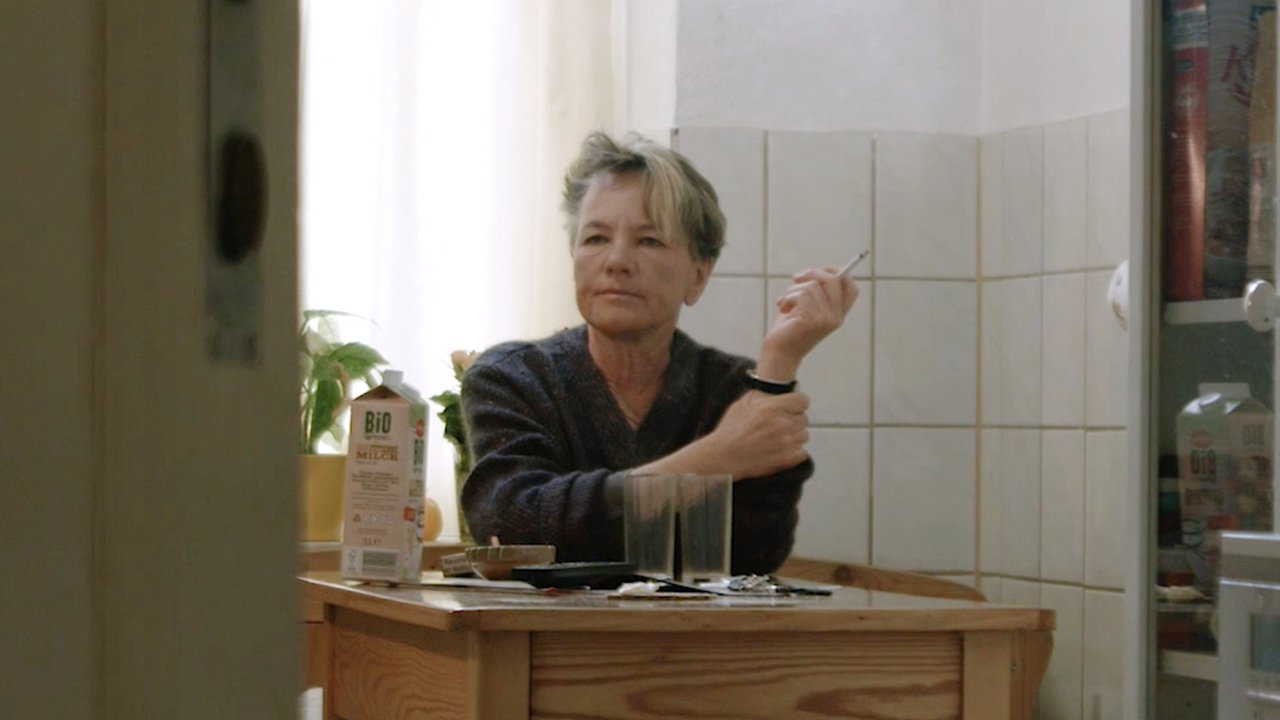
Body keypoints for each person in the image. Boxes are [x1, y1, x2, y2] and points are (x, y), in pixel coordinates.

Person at [459, 131, 858, 574]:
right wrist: (716, 458)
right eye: (595, 239)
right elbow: (511, 527)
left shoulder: (730, 389)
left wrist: (779, 361)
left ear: (698, 276)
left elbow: (752, 556)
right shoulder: (513, 378)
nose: (616, 261)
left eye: (649, 241)